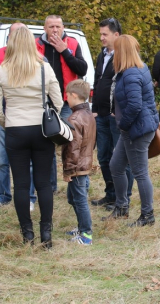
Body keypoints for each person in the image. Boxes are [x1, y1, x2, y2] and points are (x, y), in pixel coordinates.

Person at [0, 26, 63, 248]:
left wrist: (7, 123)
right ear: (33, 44)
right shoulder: (43, 68)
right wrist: (50, 120)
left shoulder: (1, 70)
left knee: (21, 185)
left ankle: (27, 233)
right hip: (41, 129)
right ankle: (46, 232)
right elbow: (58, 101)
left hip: (16, 129)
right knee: (43, 183)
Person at [103, 35, 159, 227]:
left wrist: (123, 124)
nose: (113, 54)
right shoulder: (135, 70)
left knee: (140, 172)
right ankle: (121, 207)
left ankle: (147, 215)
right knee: (116, 166)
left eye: (116, 50)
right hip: (134, 127)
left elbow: (135, 105)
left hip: (137, 129)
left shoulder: (132, 74)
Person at [0, 22, 36, 211]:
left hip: (25, 117)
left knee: (27, 159)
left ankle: (29, 196)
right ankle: (2, 195)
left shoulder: (36, 57)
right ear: (9, 37)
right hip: (2, 115)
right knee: (0, 158)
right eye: (15, 34)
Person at [36, 15, 88, 194]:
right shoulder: (36, 45)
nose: (55, 30)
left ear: (63, 27)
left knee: (71, 142)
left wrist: (65, 51)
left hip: (67, 101)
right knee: (47, 143)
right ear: (45, 28)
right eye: (51, 26)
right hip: (44, 102)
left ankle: (76, 183)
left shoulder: (72, 43)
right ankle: (51, 186)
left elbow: (82, 69)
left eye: (58, 26)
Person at [90, 18, 134, 211]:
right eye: (100, 34)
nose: (101, 38)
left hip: (117, 117)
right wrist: (93, 108)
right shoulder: (102, 55)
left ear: (116, 35)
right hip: (100, 114)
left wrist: (120, 113)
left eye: (105, 34)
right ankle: (110, 194)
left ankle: (123, 198)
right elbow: (98, 81)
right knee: (104, 157)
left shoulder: (125, 57)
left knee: (122, 160)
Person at [62, 80, 96, 245]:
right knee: (73, 198)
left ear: (74, 95)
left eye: (67, 95)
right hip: (85, 164)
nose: (66, 98)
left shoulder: (74, 119)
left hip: (77, 168)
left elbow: (72, 149)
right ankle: (82, 226)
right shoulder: (89, 114)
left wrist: (69, 171)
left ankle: (86, 235)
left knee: (80, 199)